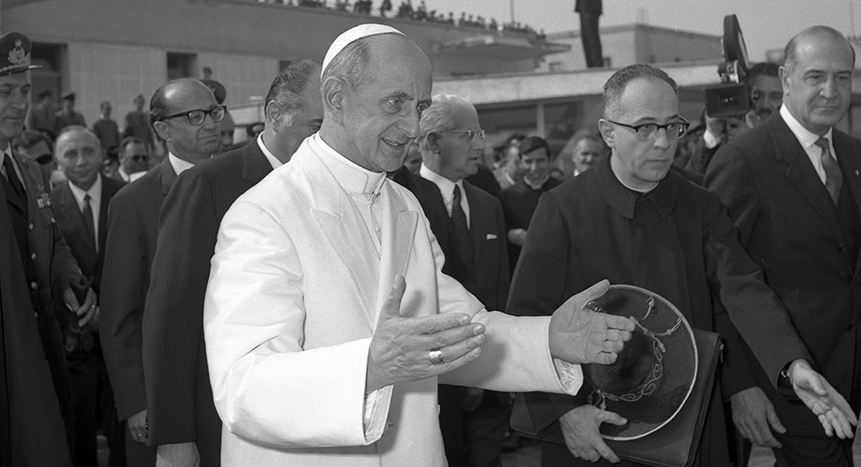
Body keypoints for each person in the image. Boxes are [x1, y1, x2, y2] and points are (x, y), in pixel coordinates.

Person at [204, 23, 635, 467]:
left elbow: (456, 330)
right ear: (336, 97)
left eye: (421, 106)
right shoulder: (264, 213)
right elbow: (242, 385)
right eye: (395, 102)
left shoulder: (402, 204)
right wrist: (370, 367)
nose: (412, 126)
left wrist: (549, 339)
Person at [509, 63, 857, 467]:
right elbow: (527, 322)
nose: (662, 143)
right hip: (595, 429)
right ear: (608, 132)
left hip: (687, 424)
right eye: (645, 128)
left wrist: (791, 364)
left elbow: (741, 291)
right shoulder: (562, 208)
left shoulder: (701, 205)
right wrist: (564, 412)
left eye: (672, 126)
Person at [142, 60, 323, 467]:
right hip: (222, 414)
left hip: (307, 411)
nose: (324, 140)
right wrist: (174, 435)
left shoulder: (325, 185)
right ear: (276, 115)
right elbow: (171, 315)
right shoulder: (208, 184)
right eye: (316, 126)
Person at [706, 26, 861, 466]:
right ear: (785, 78)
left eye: (843, 77)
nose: (831, 90)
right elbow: (721, 282)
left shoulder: (854, 155)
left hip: (848, 377)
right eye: (815, 77)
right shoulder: (743, 160)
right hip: (787, 382)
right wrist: (740, 385)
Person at [100, 78, 221, 467]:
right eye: (195, 116)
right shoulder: (134, 203)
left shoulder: (244, 186)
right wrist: (136, 401)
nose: (211, 123)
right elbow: (120, 314)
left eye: (214, 112)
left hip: (230, 387)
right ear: (163, 130)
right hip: (167, 397)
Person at [417, 94, 511, 467]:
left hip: (489, 374)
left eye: (480, 134)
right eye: (468, 134)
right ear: (432, 141)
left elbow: (499, 289)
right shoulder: (403, 202)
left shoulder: (490, 205)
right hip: (432, 381)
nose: (480, 145)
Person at [0, 31, 77, 467]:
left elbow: (52, 240)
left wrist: (68, 282)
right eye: (5, 91)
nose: (19, 103)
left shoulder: (29, 169)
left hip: (40, 351)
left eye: (25, 91)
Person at [50, 126, 126, 467]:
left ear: (102, 155)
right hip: (74, 331)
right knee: (78, 421)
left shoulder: (125, 194)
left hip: (122, 326)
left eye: (88, 151)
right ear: (58, 162)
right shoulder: (47, 204)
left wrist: (108, 312)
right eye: (70, 154)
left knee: (122, 418)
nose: (81, 160)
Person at [686, 62, 783, 175]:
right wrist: (712, 135)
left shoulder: (792, 139)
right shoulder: (724, 136)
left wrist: (751, 142)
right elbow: (689, 179)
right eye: (757, 95)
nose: (765, 105)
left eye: (775, 97)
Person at [499, 136, 561, 274]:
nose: (534, 167)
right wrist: (510, 235)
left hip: (557, 268)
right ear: (520, 163)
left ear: (550, 160)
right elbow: (499, 232)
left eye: (540, 160)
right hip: (519, 269)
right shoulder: (507, 196)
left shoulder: (563, 191)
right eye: (528, 161)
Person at [575, 0, 602, 68]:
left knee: (591, 37)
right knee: (586, 38)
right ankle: (591, 65)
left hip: (590, 6)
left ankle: (596, 64)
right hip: (584, 6)